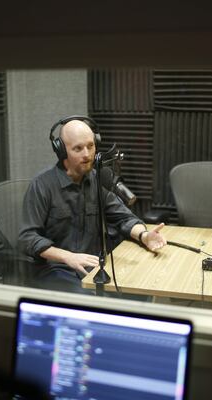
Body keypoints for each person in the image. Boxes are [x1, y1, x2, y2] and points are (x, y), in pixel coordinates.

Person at [18, 118, 166, 293]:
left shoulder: (97, 180)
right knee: (92, 301)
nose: (87, 154)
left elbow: (123, 217)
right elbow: (27, 238)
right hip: (56, 269)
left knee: (140, 289)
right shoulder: (42, 186)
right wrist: (68, 257)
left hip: (92, 265)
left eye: (90, 146)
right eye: (78, 148)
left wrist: (144, 236)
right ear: (61, 151)